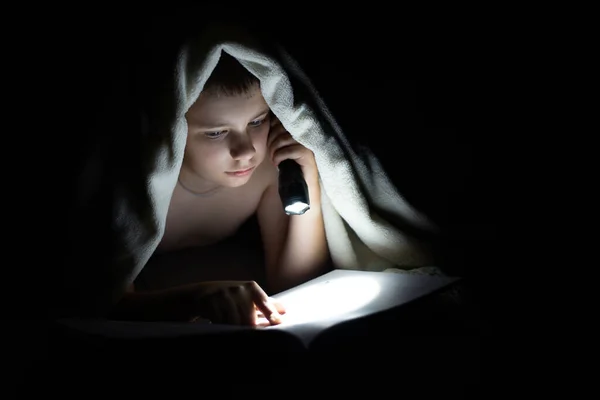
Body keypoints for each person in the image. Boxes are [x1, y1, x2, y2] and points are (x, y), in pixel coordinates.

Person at [111, 52, 330, 326]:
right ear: (172, 129)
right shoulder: (138, 183)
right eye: (216, 132)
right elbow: (100, 298)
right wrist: (195, 299)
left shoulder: (267, 171)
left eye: (256, 122)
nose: (246, 150)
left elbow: (297, 284)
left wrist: (308, 176)